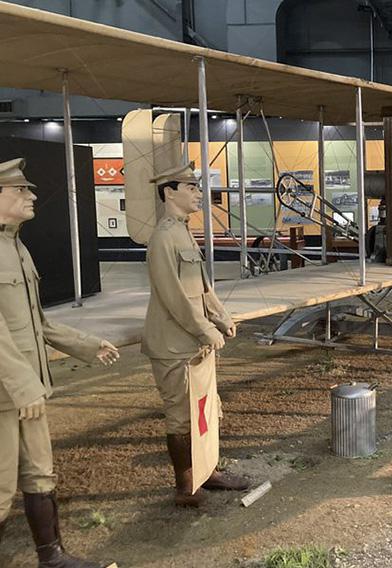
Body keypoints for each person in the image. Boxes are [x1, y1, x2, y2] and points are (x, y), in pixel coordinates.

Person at [0, 158, 119, 568]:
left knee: (39, 473)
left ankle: (51, 557)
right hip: (7, 392)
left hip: (27, 389)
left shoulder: (16, 246)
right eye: (20, 190)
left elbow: (37, 323)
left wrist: (86, 344)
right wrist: (23, 386)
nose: (31, 196)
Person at [143, 162, 248, 508]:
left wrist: (220, 316)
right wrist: (204, 329)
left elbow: (201, 288)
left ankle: (209, 472)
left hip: (195, 343)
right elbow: (172, 295)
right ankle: (185, 487)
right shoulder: (162, 237)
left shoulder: (183, 232)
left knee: (207, 409)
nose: (198, 193)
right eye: (190, 187)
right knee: (182, 416)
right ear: (169, 192)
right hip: (174, 345)